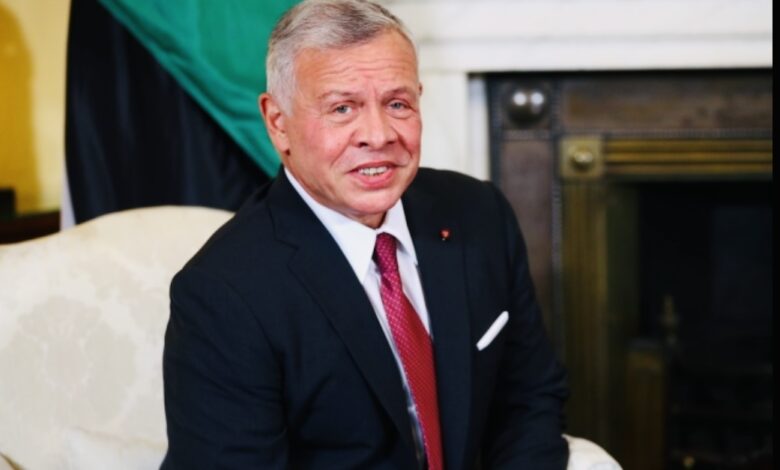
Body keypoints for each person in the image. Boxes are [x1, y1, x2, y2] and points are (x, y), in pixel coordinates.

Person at [161, 1, 568, 468]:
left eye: (397, 104)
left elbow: (529, 400)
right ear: (278, 123)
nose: (378, 135)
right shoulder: (223, 294)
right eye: (342, 108)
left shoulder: (479, 214)